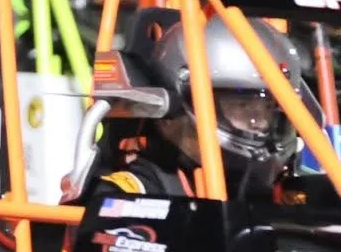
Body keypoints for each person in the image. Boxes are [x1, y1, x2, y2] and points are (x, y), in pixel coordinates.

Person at [96, 13, 307, 199]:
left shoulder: (285, 195)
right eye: (243, 106)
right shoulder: (127, 198)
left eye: (270, 109)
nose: (260, 123)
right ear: (173, 114)